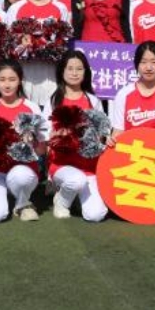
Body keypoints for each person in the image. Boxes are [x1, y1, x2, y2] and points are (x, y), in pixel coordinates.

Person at [0, 59, 47, 223]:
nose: (7, 85)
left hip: (22, 170)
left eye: (12, 79)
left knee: (21, 176)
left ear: (20, 80)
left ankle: (22, 203)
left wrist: (31, 142)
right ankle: (0, 193)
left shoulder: (32, 108)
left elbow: (42, 150)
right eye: (2, 79)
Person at [46, 51, 108, 221]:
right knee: (76, 180)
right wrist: (56, 136)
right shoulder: (54, 100)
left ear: (86, 72)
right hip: (61, 165)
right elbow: (45, 134)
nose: (74, 73)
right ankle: (62, 202)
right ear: (62, 71)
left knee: (96, 215)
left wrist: (97, 138)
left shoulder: (93, 100)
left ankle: (73, 196)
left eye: (79, 69)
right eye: (70, 68)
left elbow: (102, 132)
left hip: (88, 167)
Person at [6, 0, 72, 106]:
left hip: (51, 73)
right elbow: (10, 42)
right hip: (25, 73)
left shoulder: (60, 8)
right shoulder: (15, 8)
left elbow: (65, 41)